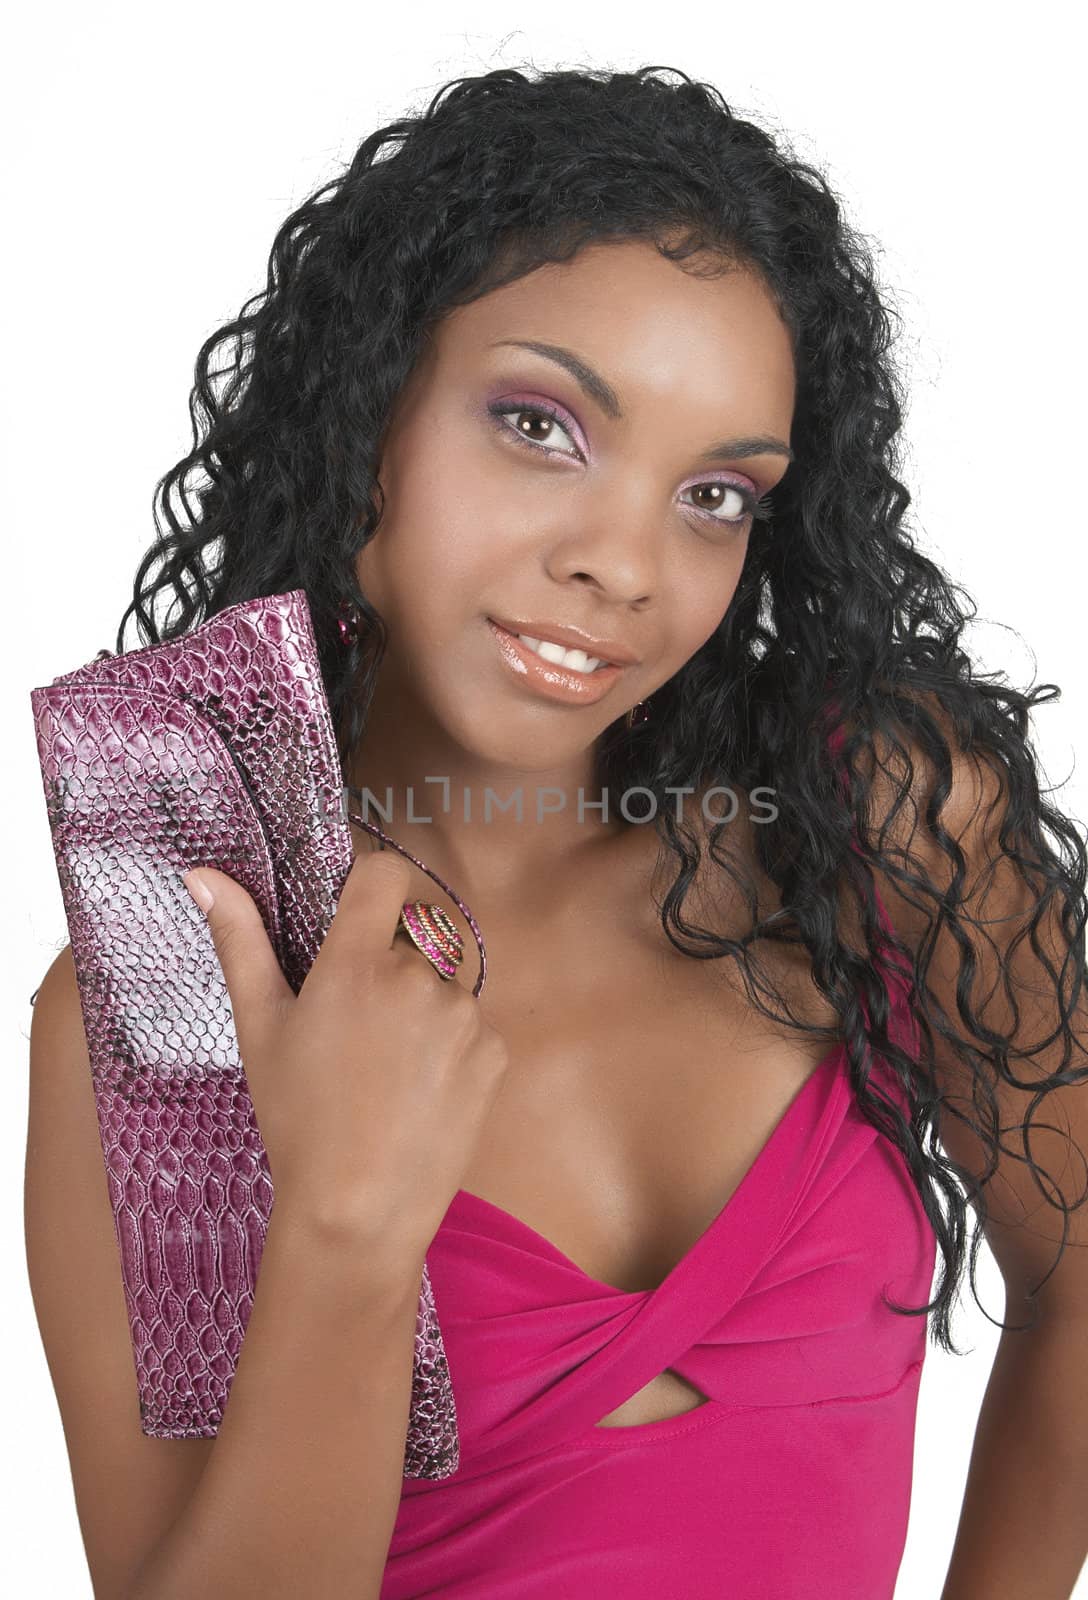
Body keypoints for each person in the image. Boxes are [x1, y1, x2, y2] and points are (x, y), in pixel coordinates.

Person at [24, 63, 1088, 1600]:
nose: (625, 565)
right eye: (540, 424)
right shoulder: (187, 982)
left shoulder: (880, 827)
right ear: (365, 402)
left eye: (716, 495)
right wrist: (345, 1226)